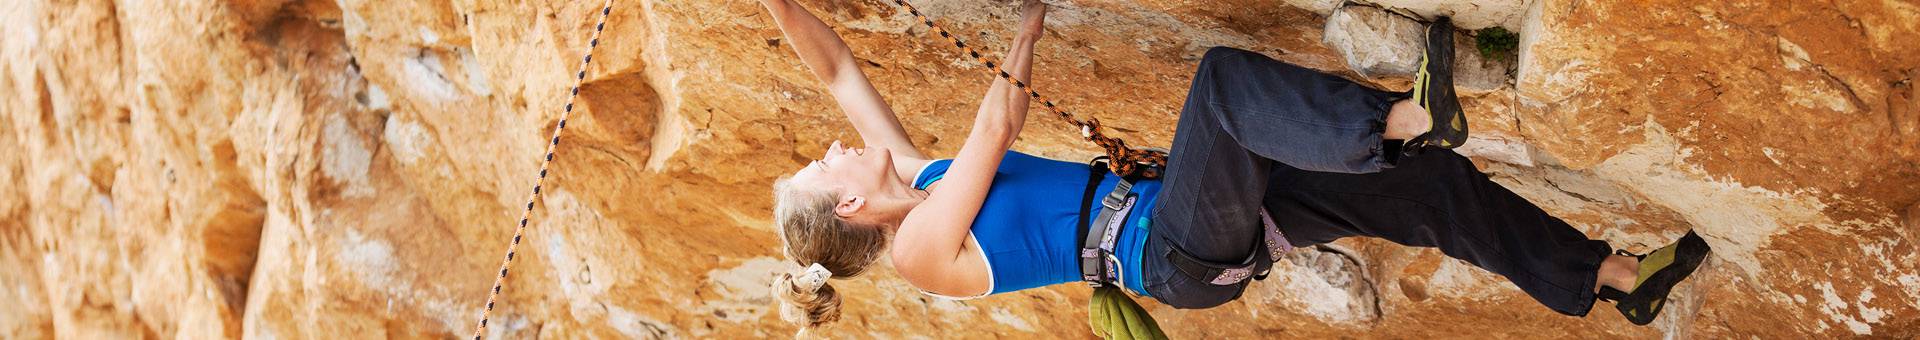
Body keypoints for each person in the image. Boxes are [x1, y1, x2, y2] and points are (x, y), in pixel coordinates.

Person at [758, 0, 1713, 332]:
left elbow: (835, 62)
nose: (832, 142)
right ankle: (1413, 113)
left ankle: (1612, 280)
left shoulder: (910, 182)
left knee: (1426, 195)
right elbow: (998, 124)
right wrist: (1028, 23)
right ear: (846, 201)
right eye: (819, 164)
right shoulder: (923, 244)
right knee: (1219, 86)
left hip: (1177, 214)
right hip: (1170, 251)